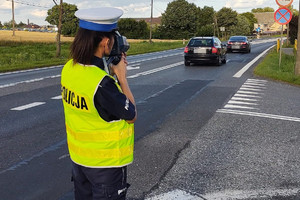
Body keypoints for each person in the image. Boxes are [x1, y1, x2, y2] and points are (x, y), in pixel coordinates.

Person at [61, 7, 137, 200]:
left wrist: (108, 74)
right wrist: (121, 77)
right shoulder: (103, 85)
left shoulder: (69, 68)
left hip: (79, 161)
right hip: (105, 166)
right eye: (113, 37)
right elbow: (131, 115)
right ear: (104, 41)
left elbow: (90, 90)